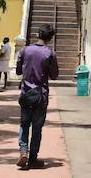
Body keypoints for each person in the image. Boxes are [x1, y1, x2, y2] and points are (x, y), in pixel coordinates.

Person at [16, 24, 59, 169]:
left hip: (26, 94)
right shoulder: (50, 55)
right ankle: (33, 158)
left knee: (24, 124)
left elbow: (17, 71)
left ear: (37, 34)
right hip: (41, 96)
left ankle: (23, 151)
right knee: (37, 127)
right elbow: (54, 76)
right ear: (50, 39)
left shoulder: (24, 50)